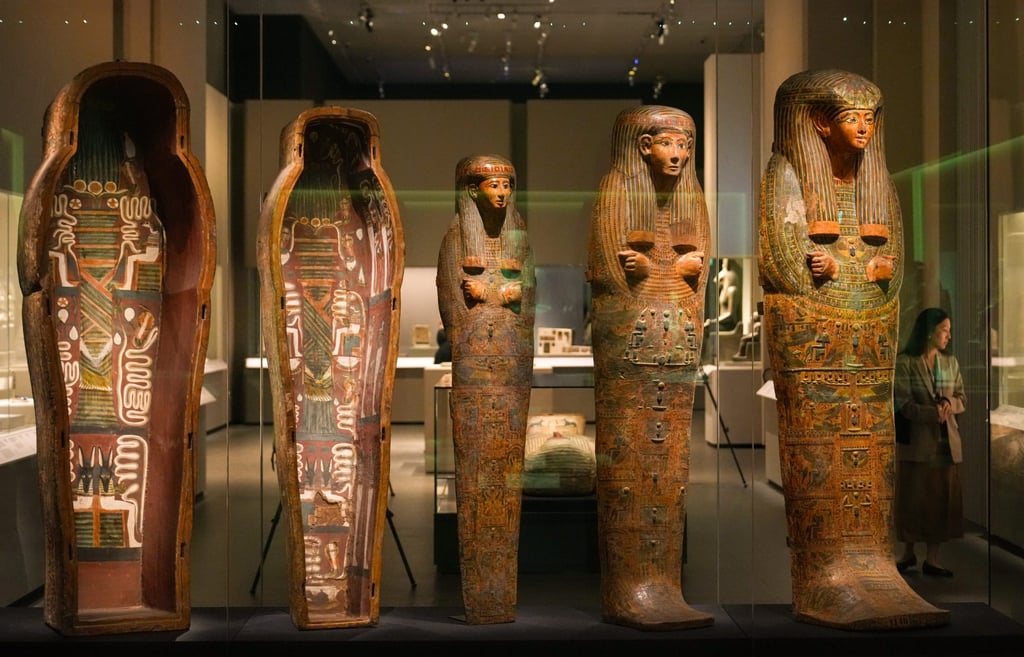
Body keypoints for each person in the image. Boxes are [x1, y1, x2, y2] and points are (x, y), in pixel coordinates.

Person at [758, 69, 947, 629]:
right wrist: (841, 266)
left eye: (871, 119)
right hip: (811, 331)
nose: (864, 129)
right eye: (851, 118)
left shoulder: (878, 183)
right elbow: (783, 263)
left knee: (868, 443)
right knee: (821, 451)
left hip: (868, 333)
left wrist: (858, 267)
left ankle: (873, 567)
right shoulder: (785, 175)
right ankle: (824, 576)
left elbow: (895, 266)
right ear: (819, 122)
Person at [588, 105, 710, 630]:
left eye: (685, 146)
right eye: (668, 145)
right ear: (643, 148)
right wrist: (668, 268)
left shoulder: (693, 200)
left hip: (676, 344)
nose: (679, 155)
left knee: (669, 467)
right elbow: (608, 277)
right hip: (633, 351)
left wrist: (659, 270)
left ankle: (664, 584)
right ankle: (627, 589)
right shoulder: (615, 194)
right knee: (634, 463)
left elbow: (699, 277)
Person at [435, 154, 534, 624]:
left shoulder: (519, 240)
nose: (501, 194)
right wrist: (495, 296)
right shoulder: (456, 239)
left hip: (510, 367)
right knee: (478, 474)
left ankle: (500, 600)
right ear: (472, 191)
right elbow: (452, 304)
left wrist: (495, 294)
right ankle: (482, 600)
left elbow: (525, 299)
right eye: (493, 186)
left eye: (507, 186)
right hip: (475, 365)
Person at [894, 307, 966, 577]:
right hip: (917, 441)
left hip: (946, 442)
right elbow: (901, 402)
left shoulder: (950, 363)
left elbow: (961, 397)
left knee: (940, 500)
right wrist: (929, 413)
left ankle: (932, 558)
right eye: (944, 330)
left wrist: (949, 403)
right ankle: (908, 552)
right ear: (929, 332)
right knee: (912, 498)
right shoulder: (906, 363)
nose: (948, 335)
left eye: (949, 330)